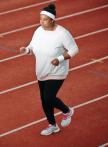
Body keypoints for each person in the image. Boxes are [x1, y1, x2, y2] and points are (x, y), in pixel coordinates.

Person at [19, 3, 79, 136]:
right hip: (41, 70)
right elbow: (32, 47)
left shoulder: (62, 33)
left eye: (44, 19)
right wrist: (26, 50)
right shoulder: (38, 30)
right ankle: (53, 125)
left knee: (48, 97)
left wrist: (60, 59)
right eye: (40, 19)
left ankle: (67, 111)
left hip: (57, 71)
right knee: (44, 100)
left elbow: (74, 49)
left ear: (52, 20)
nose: (41, 22)